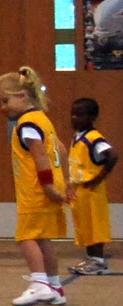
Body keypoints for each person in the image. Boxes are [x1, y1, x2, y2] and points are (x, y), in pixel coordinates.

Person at [0, 68, 72, 306]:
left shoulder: (27, 124)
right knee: (43, 238)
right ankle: (55, 286)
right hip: (52, 184)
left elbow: (40, 156)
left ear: (22, 96)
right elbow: (61, 149)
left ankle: (39, 284)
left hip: (36, 190)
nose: (2, 107)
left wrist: (47, 186)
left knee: (26, 237)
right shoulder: (43, 120)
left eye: (5, 101)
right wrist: (66, 181)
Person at [67, 96, 116, 275]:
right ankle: (90, 258)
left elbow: (112, 155)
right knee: (85, 226)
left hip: (92, 190)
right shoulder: (77, 137)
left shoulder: (93, 138)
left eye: (80, 114)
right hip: (80, 190)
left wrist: (98, 178)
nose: (74, 118)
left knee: (95, 226)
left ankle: (98, 261)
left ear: (92, 117)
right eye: (73, 114)